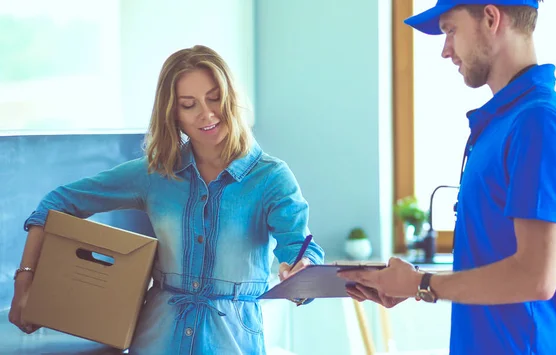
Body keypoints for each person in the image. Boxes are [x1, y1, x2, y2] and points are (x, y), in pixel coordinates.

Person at [9, 45, 325, 355]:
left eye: (214, 98)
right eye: (189, 104)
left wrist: (301, 273)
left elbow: (302, 249)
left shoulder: (271, 177)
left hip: (233, 341)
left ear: (231, 99)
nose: (207, 113)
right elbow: (56, 203)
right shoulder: (155, 174)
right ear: (173, 113)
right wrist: (24, 285)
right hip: (156, 338)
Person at [339, 1, 556, 354]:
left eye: (450, 30)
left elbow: (536, 277)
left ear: (490, 18)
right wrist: (409, 285)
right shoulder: (502, 124)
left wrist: (421, 283)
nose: (445, 51)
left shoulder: (537, 123)